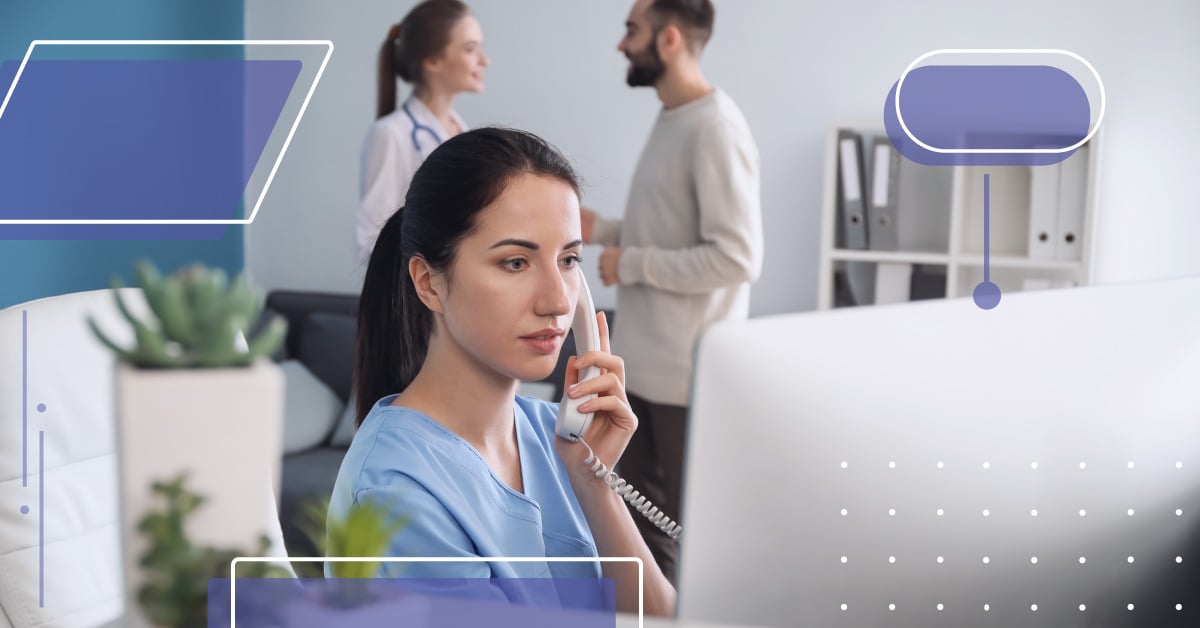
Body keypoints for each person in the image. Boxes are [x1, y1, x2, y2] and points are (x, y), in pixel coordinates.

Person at [328, 127, 676, 617]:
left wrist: (595, 484)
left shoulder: (553, 437)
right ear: (429, 283)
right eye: (516, 262)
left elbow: (662, 620)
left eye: (569, 260)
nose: (558, 300)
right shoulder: (396, 491)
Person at [580, 0, 763, 585]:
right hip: (647, 375)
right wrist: (603, 232)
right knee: (636, 534)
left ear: (670, 40)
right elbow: (673, 230)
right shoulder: (674, 118)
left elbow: (737, 256)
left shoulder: (715, 127)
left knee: (683, 542)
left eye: (632, 29)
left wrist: (629, 262)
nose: (621, 43)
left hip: (686, 382)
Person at [355, 0, 489, 261]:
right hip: (416, 293)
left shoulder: (461, 132)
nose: (485, 60)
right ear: (433, 61)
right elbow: (371, 243)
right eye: (470, 49)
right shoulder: (391, 134)